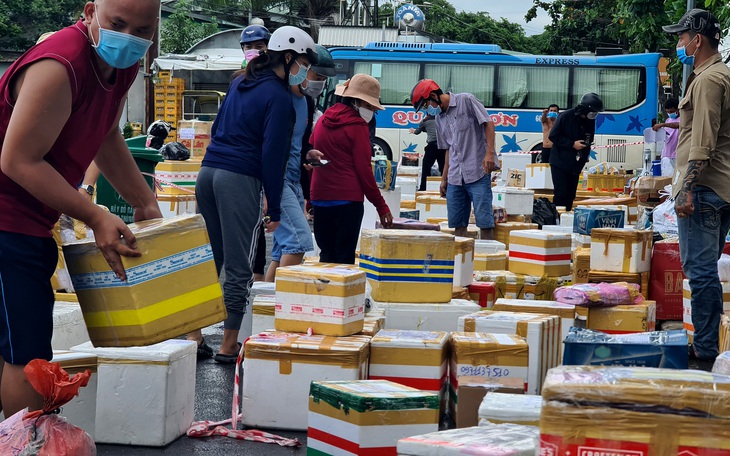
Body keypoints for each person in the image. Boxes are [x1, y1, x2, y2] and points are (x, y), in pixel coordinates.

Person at [0, 0, 162, 418]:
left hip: (28, 222)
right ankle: (28, 444)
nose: (128, 38)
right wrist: (94, 214)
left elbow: (106, 135)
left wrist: (144, 201)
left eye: (142, 31)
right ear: (90, 12)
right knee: (28, 355)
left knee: (13, 344)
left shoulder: (121, 67)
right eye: (117, 23)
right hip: (7, 221)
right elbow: (17, 160)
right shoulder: (60, 65)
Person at [190, 26, 318, 363]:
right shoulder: (279, 97)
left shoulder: (239, 82)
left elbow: (217, 129)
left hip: (208, 172)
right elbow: (272, 157)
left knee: (210, 259)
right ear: (288, 57)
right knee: (241, 264)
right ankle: (228, 343)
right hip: (238, 179)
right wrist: (274, 207)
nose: (305, 70)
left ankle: (194, 335)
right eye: (303, 62)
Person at [663, 9, 730, 366]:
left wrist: (686, 189)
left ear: (697, 39)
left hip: (702, 189)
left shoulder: (706, 80)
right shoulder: (719, 74)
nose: (679, 43)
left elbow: (703, 141)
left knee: (701, 272)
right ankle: (708, 344)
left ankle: (705, 350)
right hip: (718, 188)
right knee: (706, 269)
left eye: (681, 37)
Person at [308, 74, 393, 264]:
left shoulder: (322, 121)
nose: (371, 111)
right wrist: (382, 206)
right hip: (347, 202)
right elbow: (364, 171)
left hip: (320, 199)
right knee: (344, 260)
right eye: (370, 106)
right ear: (357, 101)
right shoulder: (358, 127)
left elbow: (310, 162)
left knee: (326, 256)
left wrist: (309, 200)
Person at [264, 44, 326, 282]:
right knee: (299, 240)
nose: (318, 81)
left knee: (282, 248)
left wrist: (308, 154)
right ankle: (284, 303)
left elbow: (297, 141)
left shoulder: (307, 103)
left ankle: (266, 303)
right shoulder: (281, 97)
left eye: (322, 77)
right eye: (314, 74)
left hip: (293, 179)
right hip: (277, 179)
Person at [410, 79, 498, 240]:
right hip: (455, 177)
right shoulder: (439, 119)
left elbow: (489, 124)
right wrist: (444, 179)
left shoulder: (466, 100)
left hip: (478, 171)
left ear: (433, 96)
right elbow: (448, 149)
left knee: (484, 221)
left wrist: (490, 153)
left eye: (425, 105)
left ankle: (488, 259)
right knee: (457, 223)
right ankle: (461, 260)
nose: (426, 110)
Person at [548, 93, 603, 211]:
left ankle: (566, 216)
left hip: (575, 163)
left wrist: (583, 154)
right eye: (593, 112)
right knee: (560, 193)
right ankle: (556, 218)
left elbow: (589, 138)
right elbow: (553, 136)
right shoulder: (565, 116)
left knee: (570, 195)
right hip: (560, 161)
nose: (594, 115)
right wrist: (572, 144)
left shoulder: (590, 121)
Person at [410, 114, 446, 191]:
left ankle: (423, 188)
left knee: (426, 168)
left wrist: (413, 131)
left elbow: (417, 131)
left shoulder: (424, 121)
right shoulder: (443, 119)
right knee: (444, 168)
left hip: (431, 147)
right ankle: (446, 187)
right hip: (442, 146)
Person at [652, 98, 680, 177]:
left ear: (678, 109)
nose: (670, 114)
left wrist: (662, 124)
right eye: (667, 112)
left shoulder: (683, 120)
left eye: (671, 112)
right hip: (666, 155)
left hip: (676, 155)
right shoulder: (668, 120)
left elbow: (677, 125)